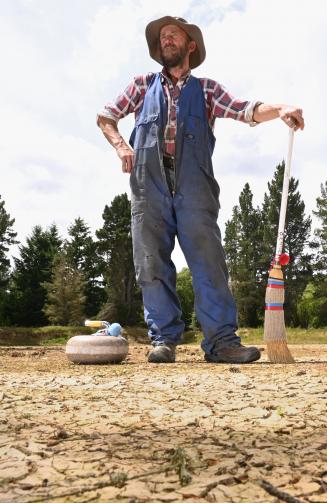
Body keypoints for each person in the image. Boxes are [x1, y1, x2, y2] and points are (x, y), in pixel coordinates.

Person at [97, 16, 305, 364]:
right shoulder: (141, 85)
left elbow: (244, 110)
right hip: (149, 189)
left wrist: (281, 107)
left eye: (173, 35)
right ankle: (163, 340)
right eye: (162, 37)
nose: (166, 40)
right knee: (150, 265)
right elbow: (106, 116)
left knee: (209, 264)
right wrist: (121, 146)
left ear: (190, 45)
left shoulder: (207, 89)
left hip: (195, 188)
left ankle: (222, 342)